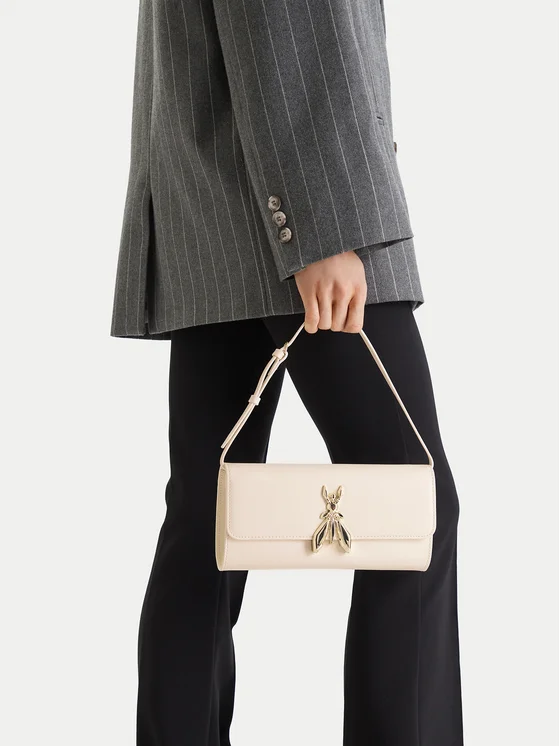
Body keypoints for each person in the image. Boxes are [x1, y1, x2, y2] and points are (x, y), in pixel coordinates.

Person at [110, 1, 463, 744]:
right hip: (299, 217)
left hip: (212, 206)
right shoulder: (310, 224)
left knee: (208, 518)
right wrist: (318, 228)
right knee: (413, 503)